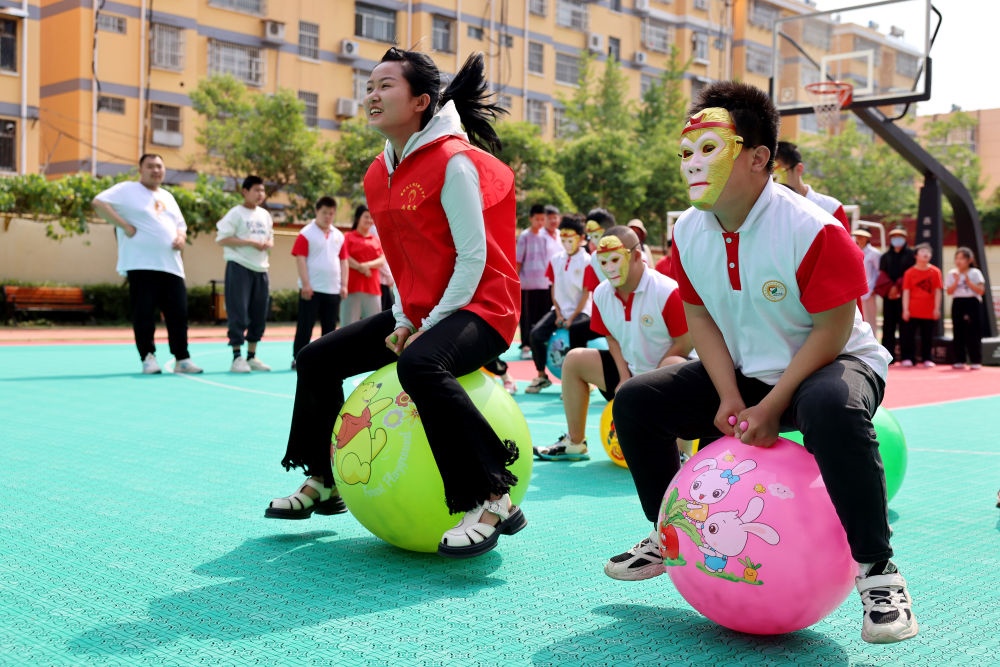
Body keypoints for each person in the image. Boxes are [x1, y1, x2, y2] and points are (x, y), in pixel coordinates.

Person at [607, 82, 917, 644]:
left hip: (831, 363)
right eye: (686, 151)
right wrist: (728, 395)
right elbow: (699, 316)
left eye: (708, 148)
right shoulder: (687, 230)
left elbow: (833, 329)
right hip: (747, 368)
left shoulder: (812, 229)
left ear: (757, 157)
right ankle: (668, 531)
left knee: (830, 407)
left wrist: (773, 405)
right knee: (637, 401)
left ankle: (878, 573)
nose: (692, 164)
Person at [266, 48, 525, 559]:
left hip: (482, 308)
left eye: (386, 86)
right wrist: (407, 316)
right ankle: (325, 480)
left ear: (422, 101)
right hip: (424, 309)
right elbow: (400, 259)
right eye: (370, 86)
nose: (372, 95)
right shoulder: (376, 174)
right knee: (316, 359)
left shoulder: (454, 163)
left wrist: (426, 325)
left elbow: (474, 259)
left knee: (420, 364)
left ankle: (494, 497)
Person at [533, 226, 691, 461]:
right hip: (630, 375)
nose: (609, 268)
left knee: (674, 362)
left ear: (636, 256)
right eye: (603, 261)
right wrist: (625, 377)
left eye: (615, 259)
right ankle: (575, 442)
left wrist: (648, 383)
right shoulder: (601, 294)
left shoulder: (667, 291)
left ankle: (681, 453)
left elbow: (686, 342)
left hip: (666, 379)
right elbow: (612, 337)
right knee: (574, 359)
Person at [91, 153, 203, 375]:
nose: (156, 170)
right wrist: (124, 225)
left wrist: (181, 237)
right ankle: (148, 357)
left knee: (178, 314)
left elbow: (181, 224)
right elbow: (98, 202)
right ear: (140, 169)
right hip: (141, 264)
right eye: (150, 166)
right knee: (144, 313)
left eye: (160, 166)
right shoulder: (127, 190)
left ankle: (182, 358)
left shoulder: (168, 196)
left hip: (171, 265)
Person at [524, 214, 598, 394]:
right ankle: (542, 376)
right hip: (559, 310)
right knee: (535, 334)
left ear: (581, 238)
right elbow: (554, 287)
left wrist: (572, 318)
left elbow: (586, 293)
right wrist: (558, 314)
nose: (566, 241)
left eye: (570, 237)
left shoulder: (588, 261)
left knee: (576, 332)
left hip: (582, 311)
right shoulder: (556, 259)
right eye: (563, 237)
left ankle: (580, 382)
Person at [216, 175, 274, 373]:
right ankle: (236, 357)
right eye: (256, 190)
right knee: (238, 311)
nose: (260, 194)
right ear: (245, 191)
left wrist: (267, 244)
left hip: (261, 268)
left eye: (262, 190)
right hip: (239, 266)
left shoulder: (265, 215)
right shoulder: (235, 213)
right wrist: (249, 242)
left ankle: (251, 356)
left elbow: (270, 239)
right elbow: (222, 239)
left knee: (259, 313)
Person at [291, 195, 348, 369]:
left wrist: (344, 285)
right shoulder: (306, 233)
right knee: (305, 326)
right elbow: (300, 259)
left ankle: (327, 359)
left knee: (330, 328)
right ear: (317, 211)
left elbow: (344, 260)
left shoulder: (339, 235)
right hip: (312, 289)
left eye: (331, 213)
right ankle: (298, 358)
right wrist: (306, 284)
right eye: (324, 213)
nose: (328, 216)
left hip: (332, 289)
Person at [774, 140, 851, 231]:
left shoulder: (831, 207)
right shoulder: (773, 211)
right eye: (773, 174)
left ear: (799, 169)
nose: (776, 179)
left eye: (781, 171)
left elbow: (843, 244)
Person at [516, 203, 560, 359]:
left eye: (543, 219)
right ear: (531, 219)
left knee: (543, 316)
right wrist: (515, 280)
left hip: (545, 283)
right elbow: (518, 261)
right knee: (528, 317)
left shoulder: (545, 236)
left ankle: (540, 344)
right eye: (537, 219)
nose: (540, 223)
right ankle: (526, 346)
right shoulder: (525, 236)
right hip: (528, 284)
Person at [340, 204, 386, 325]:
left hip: (373, 289)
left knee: (373, 327)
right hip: (352, 288)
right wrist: (361, 268)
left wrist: (366, 266)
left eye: (371, 217)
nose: (369, 220)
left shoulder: (376, 240)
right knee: (348, 326)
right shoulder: (347, 237)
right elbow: (344, 257)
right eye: (366, 217)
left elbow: (382, 260)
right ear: (357, 218)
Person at [876, 227, 915, 362]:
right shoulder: (885, 256)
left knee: (906, 326)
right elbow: (882, 274)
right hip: (889, 295)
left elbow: (910, 273)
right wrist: (891, 289)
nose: (897, 239)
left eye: (900, 237)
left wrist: (898, 287)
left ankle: (907, 357)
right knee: (888, 326)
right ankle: (888, 356)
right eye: (894, 237)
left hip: (905, 295)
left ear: (905, 239)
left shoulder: (911, 255)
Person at [901, 243, 943, 368]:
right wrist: (905, 309)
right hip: (913, 309)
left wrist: (937, 308)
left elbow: (938, 291)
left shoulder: (935, 271)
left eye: (928, 252)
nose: (926, 254)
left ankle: (927, 358)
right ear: (916, 255)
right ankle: (908, 358)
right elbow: (906, 292)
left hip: (928, 310)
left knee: (928, 336)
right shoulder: (909, 272)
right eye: (923, 251)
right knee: (909, 336)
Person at [945, 247, 987, 370]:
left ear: (969, 260)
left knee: (973, 332)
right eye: (957, 258)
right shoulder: (952, 273)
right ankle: (959, 359)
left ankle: (975, 360)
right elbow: (949, 291)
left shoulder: (975, 272)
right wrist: (956, 281)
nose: (959, 261)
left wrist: (968, 282)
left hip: (972, 302)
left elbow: (981, 290)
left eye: (962, 258)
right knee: (958, 331)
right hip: (958, 302)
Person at [853, 228, 882, 327]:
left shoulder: (874, 253)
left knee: (870, 318)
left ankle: (872, 340)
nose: (859, 239)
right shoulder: (853, 249)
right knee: (857, 318)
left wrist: (875, 288)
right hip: (856, 290)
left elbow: (879, 272)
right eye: (857, 236)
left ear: (867, 238)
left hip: (870, 290)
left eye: (862, 237)